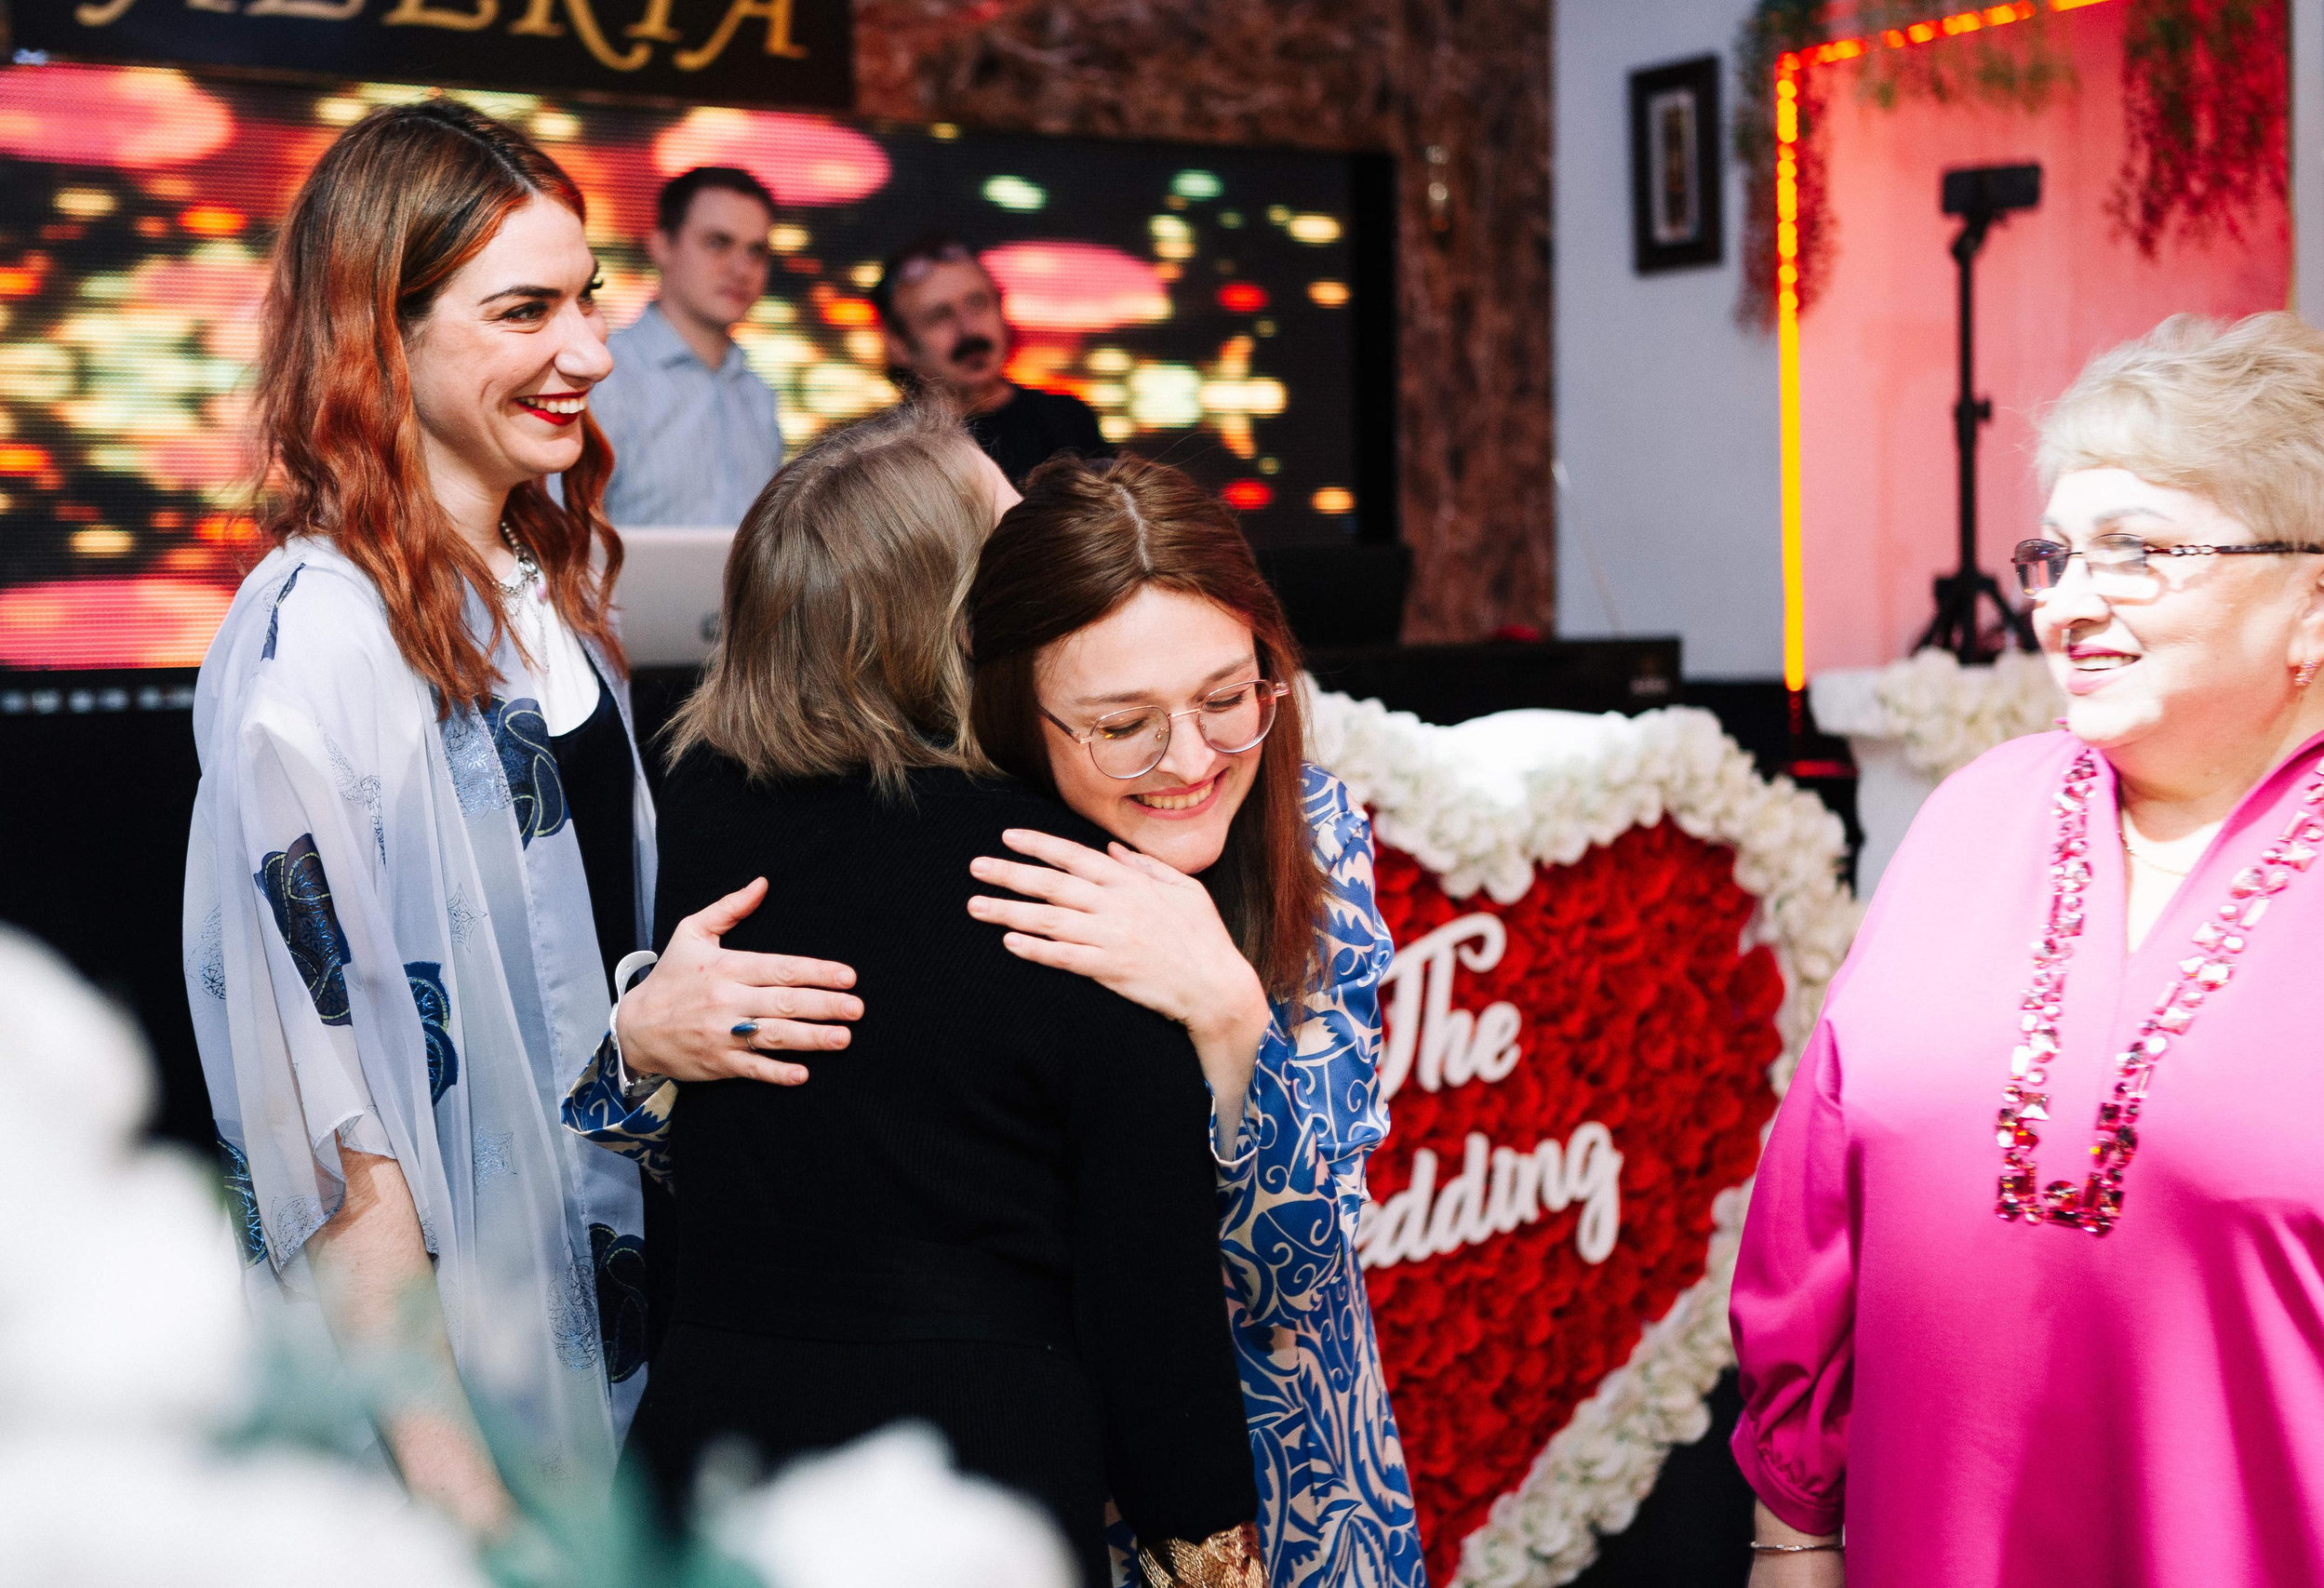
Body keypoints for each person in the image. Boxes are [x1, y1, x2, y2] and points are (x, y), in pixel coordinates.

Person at [184, 101, 859, 1536]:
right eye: (526, 310)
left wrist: (647, 1037)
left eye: (590, 299)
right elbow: (333, 1143)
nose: (593, 353)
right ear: (384, 333)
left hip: (612, 1359)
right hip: (455, 1440)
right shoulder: (319, 644)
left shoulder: (539, 582)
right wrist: (470, 1514)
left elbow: (554, 998)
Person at [1730, 312, 2324, 1588]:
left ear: (2320, 598)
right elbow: (1815, 1199)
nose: (2067, 604)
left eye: (2138, 553)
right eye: (2055, 556)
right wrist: (1792, 1528)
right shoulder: (1981, 811)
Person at [574, 401, 1267, 1588]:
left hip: (709, 1452)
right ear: (952, 614)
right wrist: (1212, 1557)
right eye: (1010, 547)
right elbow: (1151, 1297)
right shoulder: (1064, 869)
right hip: (969, 1477)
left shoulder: (700, 808)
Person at [960, 455, 1427, 1588]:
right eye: (1123, 725)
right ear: (1017, 713)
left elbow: (1291, 1271)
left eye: (1228, 699)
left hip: (1301, 1480)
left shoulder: (1309, 825)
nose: (1190, 762)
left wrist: (1228, 1019)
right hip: (1058, 1493)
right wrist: (644, 1054)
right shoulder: (969, 861)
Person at [588, 165, 783, 526]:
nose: (741, 269)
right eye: (717, 243)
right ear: (662, 246)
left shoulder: (758, 394)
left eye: (756, 251)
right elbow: (560, 544)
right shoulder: (604, 379)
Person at [871, 233, 1113, 487]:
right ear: (897, 344)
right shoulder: (881, 454)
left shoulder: (1068, 420)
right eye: (939, 316)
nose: (968, 330)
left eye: (978, 304)